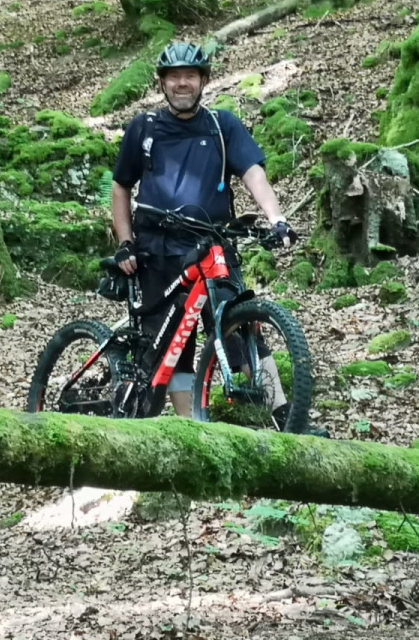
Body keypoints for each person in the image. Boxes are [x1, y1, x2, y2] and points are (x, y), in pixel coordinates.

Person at [110, 41, 321, 434]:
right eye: (174, 76)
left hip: (212, 248)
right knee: (173, 349)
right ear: (162, 83)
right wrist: (125, 242)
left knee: (241, 329)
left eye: (190, 76)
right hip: (157, 252)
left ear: (203, 80)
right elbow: (121, 186)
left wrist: (276, 218)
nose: (182, 83)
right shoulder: (145, 128)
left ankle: (288, 421)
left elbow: (253, 173)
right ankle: (197, 434)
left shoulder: (222, 125)